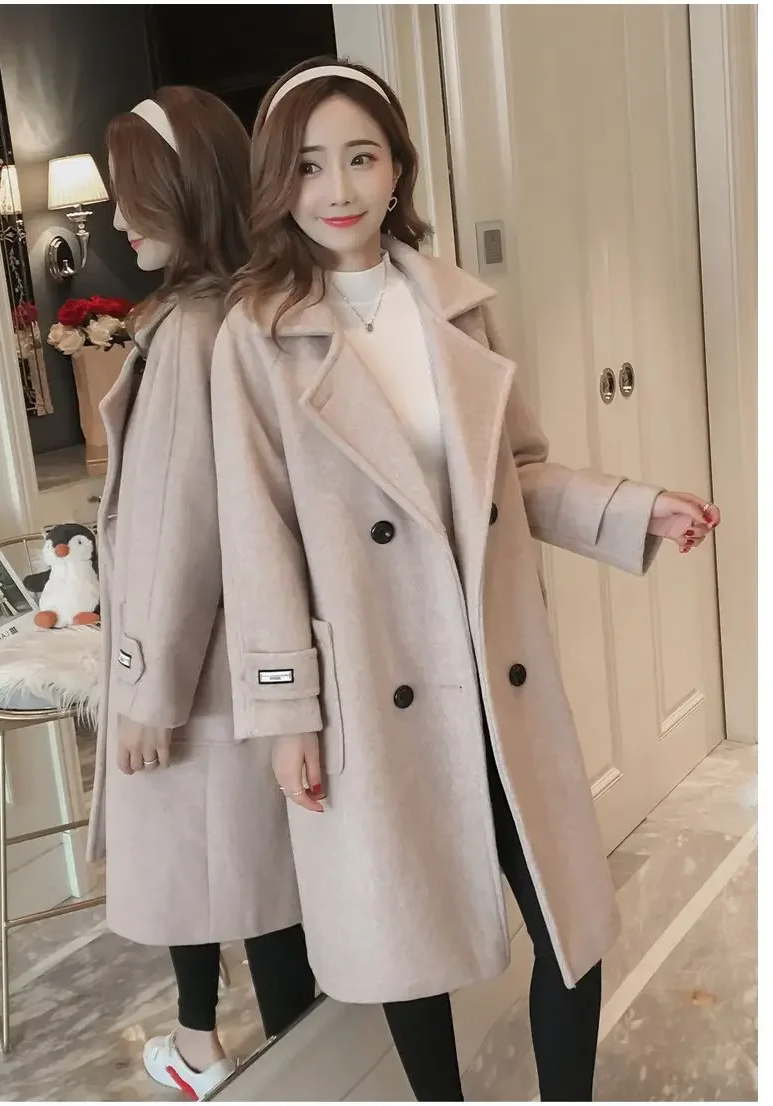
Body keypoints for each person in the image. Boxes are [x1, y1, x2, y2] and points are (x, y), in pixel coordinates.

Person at [210, 58, 721, 1102]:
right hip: (372, 685)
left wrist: (635, 507)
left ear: (398, 168)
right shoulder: (255, 336)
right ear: (278, 182)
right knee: (412, 942)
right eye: (309, 165)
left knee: (570, 927)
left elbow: (516, 476)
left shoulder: (454, 307)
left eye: (362, 157)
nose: (339, 188)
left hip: (499, 675)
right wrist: (287, 715)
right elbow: (256, 540)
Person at [86, 86, 316, 1100]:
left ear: (187, 190)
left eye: (133, 193)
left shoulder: (187, 329)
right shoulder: (247, 309)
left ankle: (249, 1065)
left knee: (238, 891)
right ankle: (229, 1049)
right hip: (234, 666)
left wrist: (147, 690)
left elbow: (182, 534)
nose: (117, 218)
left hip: (198, 676)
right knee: (258, 889)